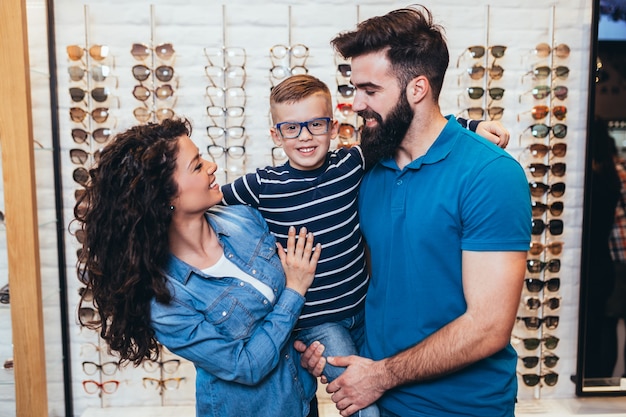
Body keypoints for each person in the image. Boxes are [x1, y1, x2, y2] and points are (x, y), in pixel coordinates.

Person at [220, 74, 510, 416]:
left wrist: (471, 125)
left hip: (364, 311)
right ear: (275, 134)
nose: (305, 137)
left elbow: (413, 127)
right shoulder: (261, 185)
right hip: (320, 323)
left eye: (316, 124)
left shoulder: (350, 165)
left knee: (386, 386)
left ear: (333, 126)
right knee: (362, 401)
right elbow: (204, 202)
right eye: (291, 128)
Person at [296, 6, 531, 416]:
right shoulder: (366, 168)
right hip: (376, 401)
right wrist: (330, 348)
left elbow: (489, 327)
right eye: (354, 89)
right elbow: (368, 284)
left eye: (370, 90)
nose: (355, 104)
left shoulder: (490, 175)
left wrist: (382, 375)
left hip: (463, 407)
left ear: (417, 88)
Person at [73, 118, 322, 417]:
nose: (212, 166)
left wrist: (311, 349)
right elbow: (247, 366)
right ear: (163, 196)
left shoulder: (245, 219)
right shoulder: (164, 298)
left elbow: (283, 322)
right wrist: (295, 290)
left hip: (302, 401)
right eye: (196, 165)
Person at [608, 128, 626, 378]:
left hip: (615, 257)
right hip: (619, 256)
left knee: (609, 320)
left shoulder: (614, 175)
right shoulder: (619, 174)